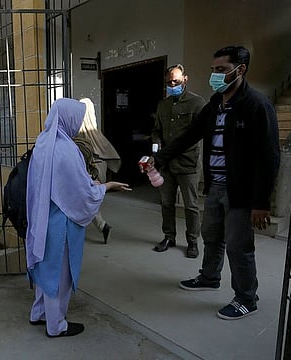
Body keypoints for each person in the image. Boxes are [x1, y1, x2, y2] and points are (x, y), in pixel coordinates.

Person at [150, 46, 280, 320]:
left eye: (221, 70)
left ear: (240, 70)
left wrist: (261, 202)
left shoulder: (257, 105)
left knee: (238, 246)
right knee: (212, 237)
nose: (215, 75)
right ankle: (209, 277)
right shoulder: (214, 105)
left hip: (241, 192)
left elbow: (269, 157)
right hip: (215, 186)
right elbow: (188, 136)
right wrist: (159, 159)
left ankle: (247, 297)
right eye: (213, 70)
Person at [26, 98, 130, 337]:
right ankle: (56, 325)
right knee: (59, 276)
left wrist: (86, 183)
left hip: (43, 219)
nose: (78, 124)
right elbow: (81, 193)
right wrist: (106, 186)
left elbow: (59, 182)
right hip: (61, 223)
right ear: (67, 119)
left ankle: (38, 313)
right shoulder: (66, 149)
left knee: (44, 270)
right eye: (76, 119)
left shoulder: (43, 142)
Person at [151, 64, 206, 258]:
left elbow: (202, 133)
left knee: (191, 205)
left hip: (188, 163)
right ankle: (169, 237)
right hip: (166, 163)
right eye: (168, 82)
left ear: (185, 79)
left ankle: (192, 241)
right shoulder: (163, 105)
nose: (172, 84)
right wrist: (156, 149)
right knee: (166, 202)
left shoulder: (197, 103)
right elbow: (156, 130)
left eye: (175, 80)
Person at [74, 98, 122, 243]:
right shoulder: (97, 134)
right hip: (100, 168)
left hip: (88, 170)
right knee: (89, 199)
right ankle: (102, 226)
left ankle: (100, 226)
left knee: (83, 199)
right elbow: (111, 154)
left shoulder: (78, 136)